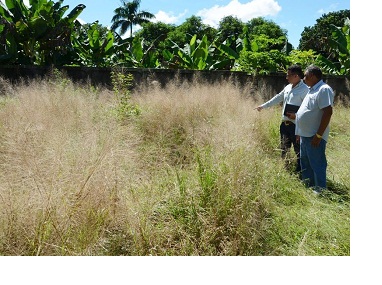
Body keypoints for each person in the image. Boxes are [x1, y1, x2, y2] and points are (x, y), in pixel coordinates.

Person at [286, 65, 334, 194]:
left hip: (314, 136)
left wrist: (319, 135)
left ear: (313, 76)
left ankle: (320, 191)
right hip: (304, 135)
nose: (303, 78)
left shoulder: (323, 89)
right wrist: (299, 132)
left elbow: (328, 112)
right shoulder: (311, 89)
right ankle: (309, 188)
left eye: (306, 76)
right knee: (306, 164)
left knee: (317, 164)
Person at [256, 64, 309, 172]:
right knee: (284, 147)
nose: (286, 77)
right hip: (285, 123)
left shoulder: (305, 90)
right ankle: (285, 168)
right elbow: (278, 98)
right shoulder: (288, 87)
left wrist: (297, 116)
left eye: (288, 75)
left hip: (297, 125)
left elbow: (308, 109)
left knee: (298, 149)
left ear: (296, 76)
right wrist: (263, 106)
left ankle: (300, 172)